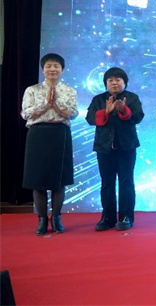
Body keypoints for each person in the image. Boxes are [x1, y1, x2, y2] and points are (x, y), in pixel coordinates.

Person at [21, 53, 78, 235]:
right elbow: (25, 114)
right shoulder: (32, 90)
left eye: (56, 66)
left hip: (60, 133)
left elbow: (73, 114)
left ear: (62, 69)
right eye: (48, 66)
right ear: (43, 69)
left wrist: (57, 102)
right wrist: (46, 103)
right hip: (37, 134)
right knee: (37, 180)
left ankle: (56, 218)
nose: (52, 69)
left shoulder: (69, 90)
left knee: (59, 180)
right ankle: (42, 220)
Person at [86, 67, 145, 231]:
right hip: (104, 147)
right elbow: (90, 118)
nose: (114, 83)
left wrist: (124, 110)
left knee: (126, 182)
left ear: (125, 83)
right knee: (107, 183)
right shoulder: (99, 99)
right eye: (110, 80)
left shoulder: (132, 98)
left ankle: (126, 217)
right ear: (105, 83)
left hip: (127, 147)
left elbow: (138, 117)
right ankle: (107, 217)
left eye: (118, 80)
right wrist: (105, 111)